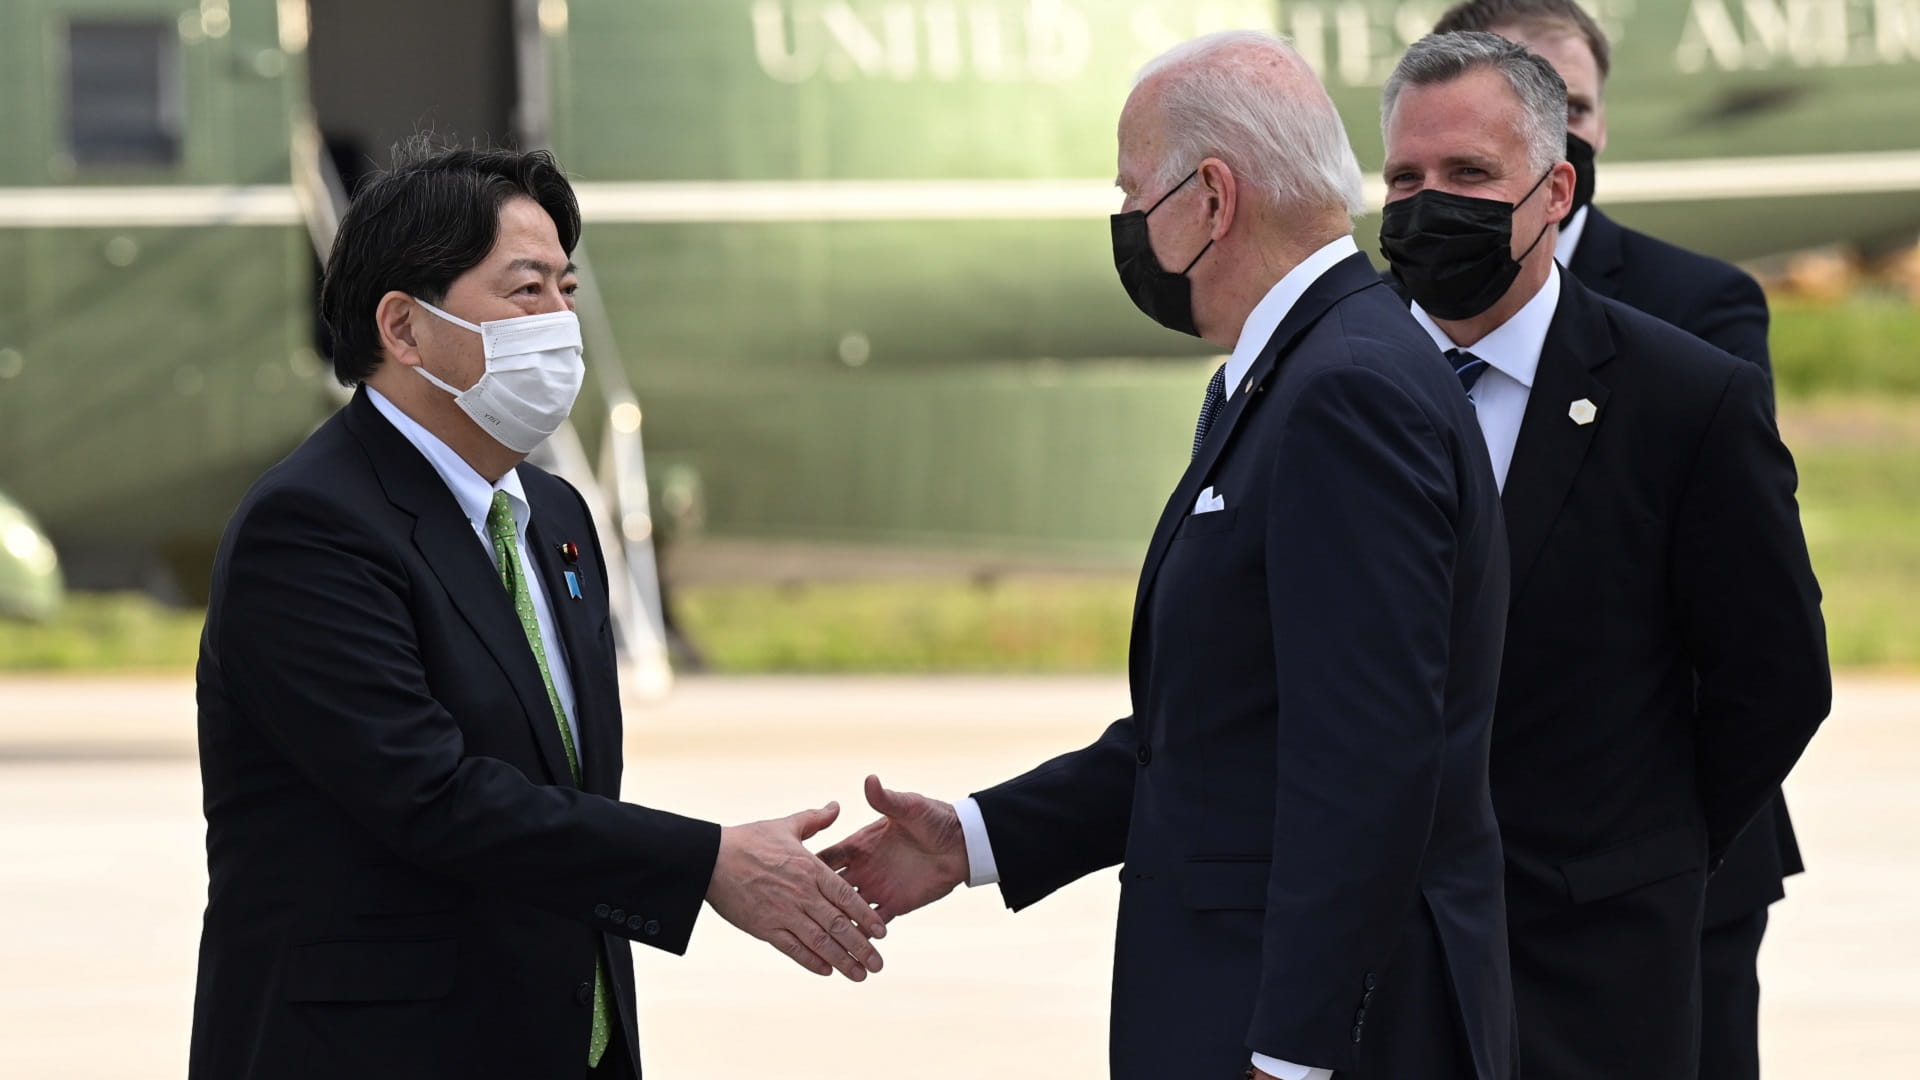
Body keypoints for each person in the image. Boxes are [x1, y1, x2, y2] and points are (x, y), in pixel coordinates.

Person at [823, 31, 1515, 1080]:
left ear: (1211, 199)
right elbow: (1228, 726)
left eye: (1131, 192)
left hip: (1309, 1034)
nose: (1126, 225)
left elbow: (1366, 762)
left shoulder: (1344, 393)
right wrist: (974, 837)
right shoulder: (1295, 372)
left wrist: (1293, 1052)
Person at [189, 143, 883, 1080]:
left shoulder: (550, 514)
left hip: (561, 1037)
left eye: (566, 287)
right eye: (524, 293)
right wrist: (704, 863)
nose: (561, 322)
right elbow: (429, 796)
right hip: (379, 1047)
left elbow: (564, 791)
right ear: (403, 326)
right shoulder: (311, 527)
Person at [1376, 31, 1830, 1079]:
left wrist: (1638, 852)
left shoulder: (1689, 391)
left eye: (1470, 175)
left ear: (1555, 188)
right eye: (1406, 177)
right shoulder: (1336, 381)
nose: (1428, 202)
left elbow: (1774, 674)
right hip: (1373, 963)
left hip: (1594, 964)